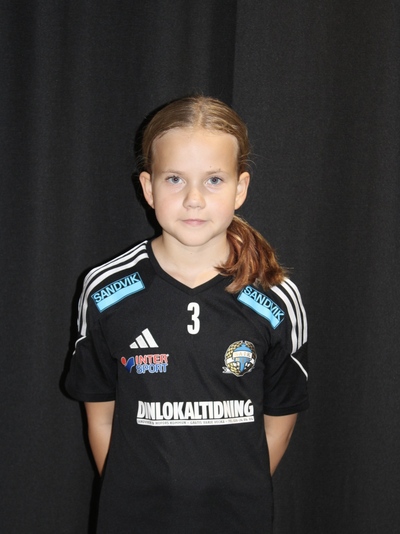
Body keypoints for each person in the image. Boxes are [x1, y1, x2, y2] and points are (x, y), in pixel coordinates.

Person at [66, 95, 309, 533]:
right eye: (175, 179)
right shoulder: (106, 292)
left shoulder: (275, 298)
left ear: (240, 188)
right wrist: (131, 500)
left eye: (214, 180)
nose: (193, 199)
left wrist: (235, 497)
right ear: (148, 187)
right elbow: (100, 417)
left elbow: (279, 423)